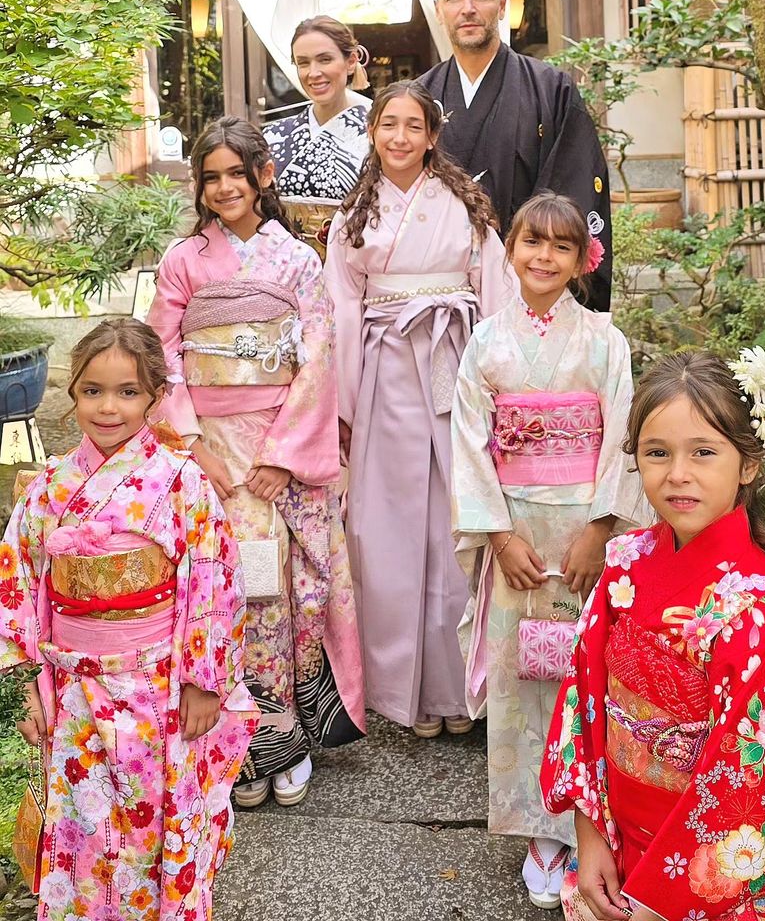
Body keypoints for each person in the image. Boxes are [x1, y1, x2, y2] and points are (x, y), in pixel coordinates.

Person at [541, 349, 765, 919]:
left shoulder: (760, 604)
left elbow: (751, 776)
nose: (677, 474)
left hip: (707, 868)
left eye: (704, 453)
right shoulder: (623, 563)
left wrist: (660, 899)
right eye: (657, 453)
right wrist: (590, 830)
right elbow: (583, 698)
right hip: (617, 839)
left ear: (746, 464)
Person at [0, 318, 259, 920]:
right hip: (72, 689)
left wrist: (203, 682)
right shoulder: (49, 488)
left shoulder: (180, 480)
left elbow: (213, 582)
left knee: (153, 820)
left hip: (157, 686)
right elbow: (19, 583)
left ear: (155, 396)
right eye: (92, 391)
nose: (108, 407)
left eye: (127, 392)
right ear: (72, 394)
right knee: (82, 826)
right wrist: (33, 685)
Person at [147, 116, 366, 810]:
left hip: (279, 446)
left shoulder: (298, 261)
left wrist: (282, 457)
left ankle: (290, 738)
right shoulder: (183, 260)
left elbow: (318, 354)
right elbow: (162, 356)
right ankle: (239, 741)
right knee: (226, 593)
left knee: (287, 594)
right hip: (211, 445)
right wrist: (192, 446)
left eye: (234, 174)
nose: (221, 188)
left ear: (261, 177)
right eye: (209, 178)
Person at [450, 192, 645, 909]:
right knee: (522, 679)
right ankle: (539, 827)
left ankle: (592, 821)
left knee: (590, 678)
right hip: (518, 537)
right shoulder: (486, 342)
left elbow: (622, 437)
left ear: (579, 260)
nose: (543, 256)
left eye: (561, 246)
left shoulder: (602, 340)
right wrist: (497, 535)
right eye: (532, 240)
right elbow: (468, 441)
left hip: (585, 536)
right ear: (511, 249)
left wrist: (602, 525)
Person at [323, 79, 513, 738]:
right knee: (386, 530)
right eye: (388, 125)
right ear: (372, 133)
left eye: (413, 126)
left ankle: (457, 687)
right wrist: (342, 407)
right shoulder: (356, 214)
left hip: (454, 364)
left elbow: (494, 293)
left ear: (432, 136)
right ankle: (399, 689)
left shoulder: (462, 207)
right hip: (382, 369)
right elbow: (341, 311)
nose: (399, 136)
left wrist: (500, 385)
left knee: (454, 527)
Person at [418, 0, 613, 312]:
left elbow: (573, 188)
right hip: (439, 295)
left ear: (502, 4)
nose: (468, 9)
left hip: (530, 286)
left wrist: (533, 259)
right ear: (438, 9)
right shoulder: (420, 99)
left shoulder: (552, 89)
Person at [263, 16, 371, 260]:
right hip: (285, 266)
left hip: (355, 264)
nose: (314, 73)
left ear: (351, 61)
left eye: (325, 60)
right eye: (303, 63)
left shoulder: (379, 134)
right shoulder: (274, 135)